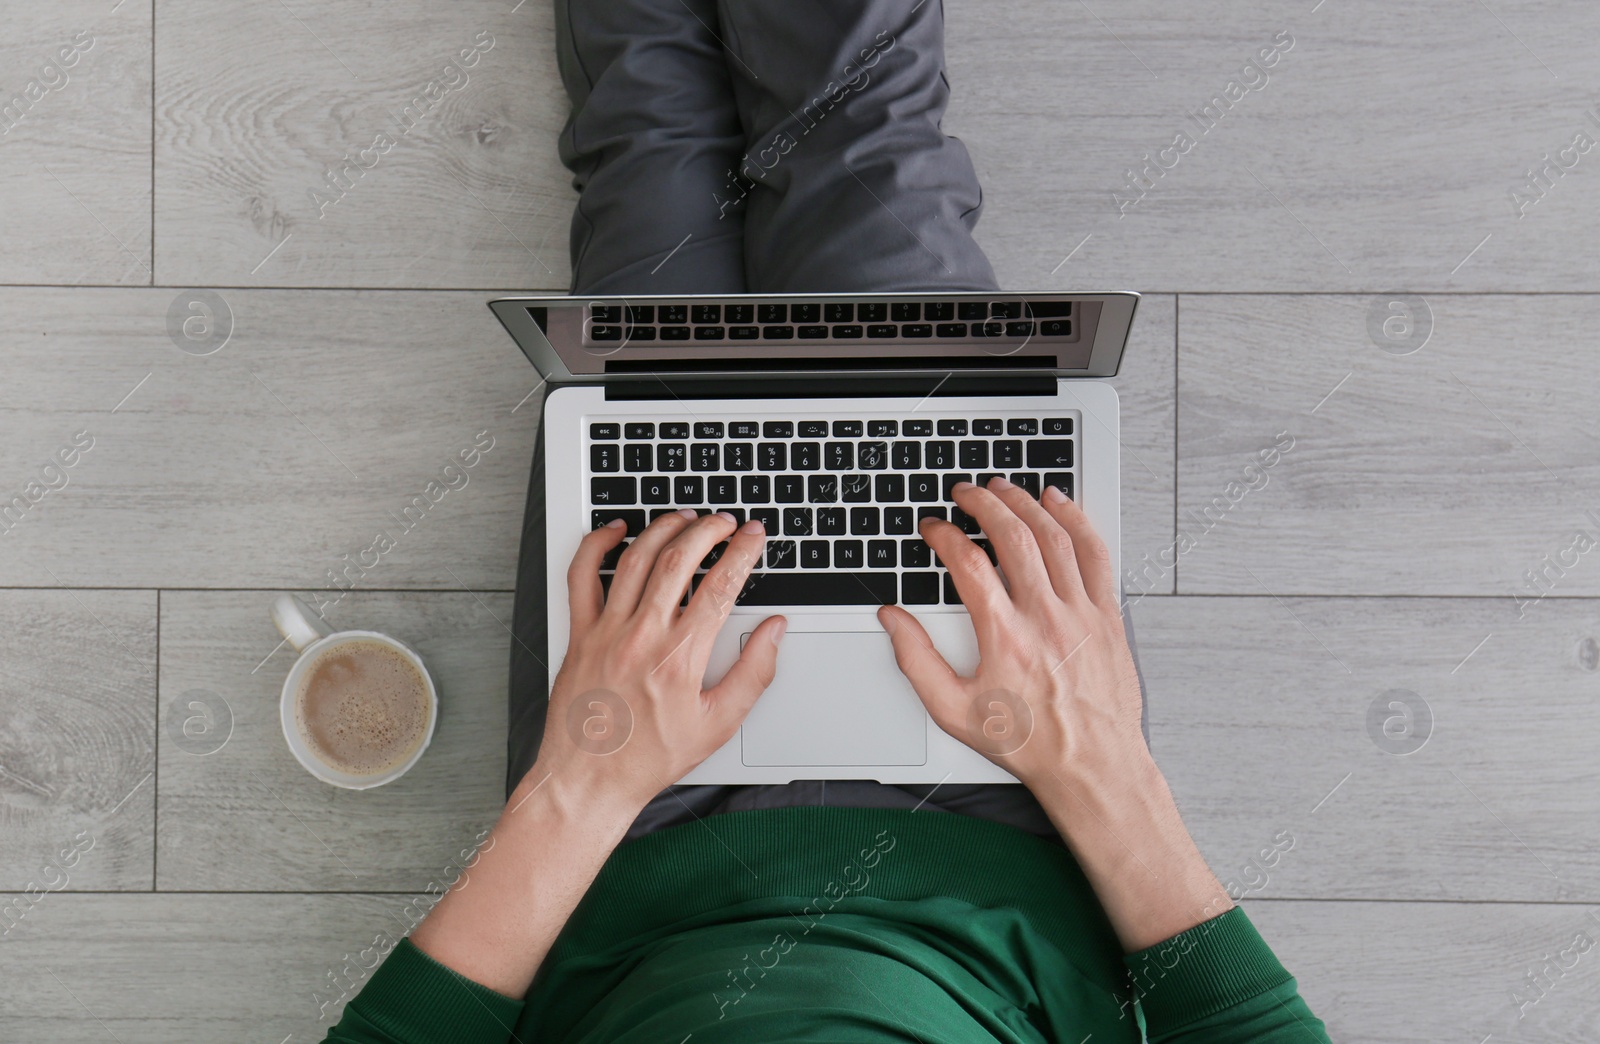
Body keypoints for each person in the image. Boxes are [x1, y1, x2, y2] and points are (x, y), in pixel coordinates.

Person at [319, 1, 1331, 1040]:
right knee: (866, 143)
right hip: (1011, 819)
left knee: (648, 161)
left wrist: (582, 783)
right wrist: (1096, 757)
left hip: (621, 844)